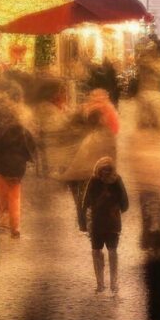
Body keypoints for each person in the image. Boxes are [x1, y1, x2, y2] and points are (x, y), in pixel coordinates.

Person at [60, 90, 122, 232]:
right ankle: (91, 222)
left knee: (82, 198)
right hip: (90, 172)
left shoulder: (85, 116)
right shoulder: (104, 131)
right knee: (92, 197)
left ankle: (84, 223)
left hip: (81, 172)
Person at [0, 93, 38, 238]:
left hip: (0, 167)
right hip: (17, 167)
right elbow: (31, 147)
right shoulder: (23, 130)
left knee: (1, 195)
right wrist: (25, 159)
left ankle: (3, 222)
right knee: (15, 196)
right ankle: (15, 227)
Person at [82, 157, 130, 293]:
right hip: (108, 223)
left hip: (102, 223)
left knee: (102, 251)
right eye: (105, 170)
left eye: (107, 170)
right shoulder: (112, 180)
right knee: (108, 251)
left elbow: (85, 204)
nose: (106, 173)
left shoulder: (95, 181)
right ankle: (109, 284)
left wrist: (84, 224)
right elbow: (125, 204)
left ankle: (104, 284)